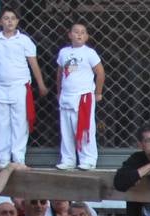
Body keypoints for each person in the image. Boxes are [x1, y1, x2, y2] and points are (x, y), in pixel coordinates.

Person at [0, 8, 48, 167]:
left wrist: (41, 84)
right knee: (2, 123)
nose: (10, 21)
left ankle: (18, 158)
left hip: (19, 86)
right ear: (1, 21)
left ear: (18, 21)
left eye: (13, 18)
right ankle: (4, 159)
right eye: (6, 18)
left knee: (19, 122)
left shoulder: (24, 40)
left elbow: (33, 63)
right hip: (1, 87)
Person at [53, 21, 103, 170]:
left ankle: (88, 159)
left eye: (82, 32)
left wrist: (98, 92)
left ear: (87, 36)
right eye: (76, 31)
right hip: (66, 96)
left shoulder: (89, 53)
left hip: (83, 96)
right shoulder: (64, 52)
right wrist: (59, 91)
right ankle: (68, 159)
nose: (79, 34)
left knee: (84, 127)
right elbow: (61, 73)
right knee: (67, 128)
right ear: (70, 35)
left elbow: (100, 72)